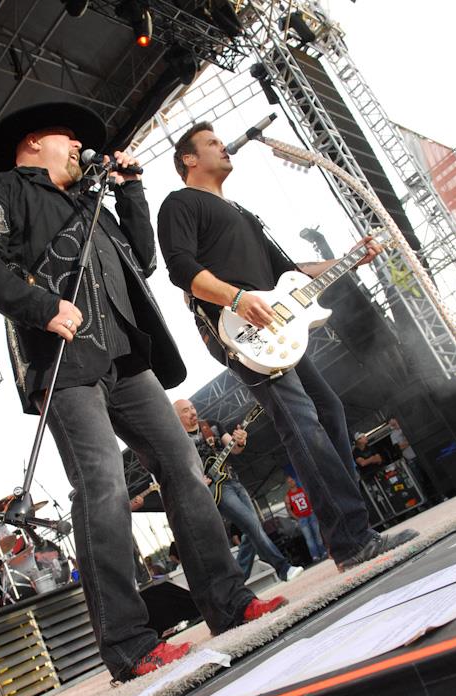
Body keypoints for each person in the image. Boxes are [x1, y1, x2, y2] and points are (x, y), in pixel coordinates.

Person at [0, 103, 286, 682]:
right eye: (67, 137)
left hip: (128, 357)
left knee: (183, 464)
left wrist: (130, 191)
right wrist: (42, 306)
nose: (78, 144)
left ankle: (228, 602)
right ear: (32, 144)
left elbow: (143, 260)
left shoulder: (91, 202)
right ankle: (129, 645)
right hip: (64, 359)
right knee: (102, 484)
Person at [158, 121, 418, 573]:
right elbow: (180, 269)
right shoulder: (180, 203)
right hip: (239, 329)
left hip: (278, 328)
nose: (224, 146)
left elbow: (290, 271)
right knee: (302, 424)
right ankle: (352, 541)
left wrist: (347, 259)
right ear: (189, 159)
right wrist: (236, 298)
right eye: (213, 143)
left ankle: (351, 527)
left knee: (328, 410)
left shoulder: (241, 212)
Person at [174, 399, 304, 582]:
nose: (192, 412)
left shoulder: (211, 425)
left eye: (192, 407)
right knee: (252, 525)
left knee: (252, 527)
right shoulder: (178, 441)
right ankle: (283, 568)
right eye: (186, 411)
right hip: (218, 490)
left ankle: (239, 580)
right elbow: (179, 470)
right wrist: (196, 479)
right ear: (176, 416)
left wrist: (240, 441)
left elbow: (234, 448)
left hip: (234, 480)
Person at [284, 476, 328, 563]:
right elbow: (289, 510)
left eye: (292, 480)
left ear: (295, 481)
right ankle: (315, 555)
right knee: (309, 538)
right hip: (302, 518)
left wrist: (312, 510)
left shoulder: (302, 490)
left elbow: (310, 499)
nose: (291, 482)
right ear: (287, 484)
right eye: (289, 482)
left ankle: (323, 551)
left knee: (317, 534)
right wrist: (297, 518)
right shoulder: (288, 496)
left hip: (310, 515)